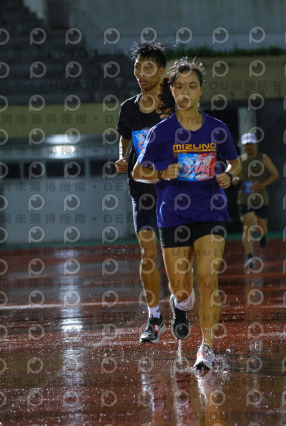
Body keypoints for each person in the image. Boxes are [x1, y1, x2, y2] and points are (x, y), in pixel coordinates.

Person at [133, 57, 241, 370]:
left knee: (208, 279)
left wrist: (229, 176)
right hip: (174, 217)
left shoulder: (217, 129)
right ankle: (181, 304)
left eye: (191, 86)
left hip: (211, 211)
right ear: (171, 90)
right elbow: (139, 171)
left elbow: (236, 163)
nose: (185, 92)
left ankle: (206, 347)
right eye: (179, 86)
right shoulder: (161, 132)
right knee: (182, 287)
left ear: (200, 90)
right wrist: (162, 173)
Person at [115, 42, 175, 343]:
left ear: (161, 71)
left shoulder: (174, 103)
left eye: (147, 67)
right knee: (148, 252)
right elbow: (125, 138)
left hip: (174, 190)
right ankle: (154, 316)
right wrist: (122, 157)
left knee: (177, 254)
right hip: (142, 190)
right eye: (137, 67)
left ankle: (181, 305)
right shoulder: (128, 108)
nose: (140, 73)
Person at [232, 132, 279, 269]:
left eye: (251, 144)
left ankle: (263, 234)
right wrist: (235, 179)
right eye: (246, 145)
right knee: (247, 226)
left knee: (261, 224)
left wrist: (262, 185)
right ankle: (249, 257)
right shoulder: (239, 160)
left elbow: (275, 174)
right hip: (244, 198)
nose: (249, 147)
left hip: (260, 198)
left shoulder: (263, 158)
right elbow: (234, 176)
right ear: (243, 146)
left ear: (256, 144)